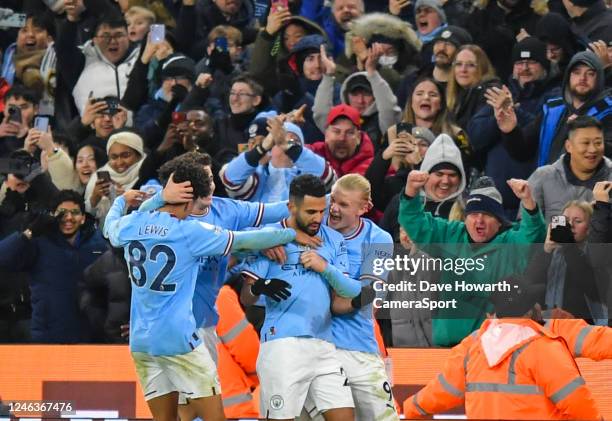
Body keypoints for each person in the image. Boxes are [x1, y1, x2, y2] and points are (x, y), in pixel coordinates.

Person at [103, 158, 303, 421]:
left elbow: (109, 228)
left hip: (141, 339)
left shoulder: (132, 224)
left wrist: (122, 201)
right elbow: (247, 239)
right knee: (213, 417)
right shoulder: (189, 232)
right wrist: (291, 234)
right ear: (189, 201)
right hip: (180, 338)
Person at [240, 174, 360, 420]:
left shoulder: (334, 240)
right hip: (283, 345)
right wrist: (260, 287)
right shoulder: (268, 237)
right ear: (291, 206)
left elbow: (344, 295)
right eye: (310, 212)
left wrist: (325, 267)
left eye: (321, 211)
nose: (318, 218)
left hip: (325, 345)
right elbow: (246, 298)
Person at [399, 173, 547, 346]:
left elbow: (534, 235)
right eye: (474, 213)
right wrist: (410, 192)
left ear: (500, 221)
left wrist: (528, 201)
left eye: (487, 214)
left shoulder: (512, 243)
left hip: (492, 349)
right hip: (447, 348)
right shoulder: (450, 234)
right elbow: (415, 224)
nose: (479, 220)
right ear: (465, 216)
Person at [302, 174, 398, 420]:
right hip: (316, 348)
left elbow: (366, 299)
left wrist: (330, 282)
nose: (333, 209)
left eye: (343, 205)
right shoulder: (312, 222)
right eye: (332, 200)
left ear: (364, 209)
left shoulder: (378, 240)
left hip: (359, 348)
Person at [402, 312, 602, 419]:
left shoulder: (472, 345)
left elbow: (442, 390)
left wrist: (408, 408)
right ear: (533, 308)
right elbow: (577, 402)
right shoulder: (543, 347)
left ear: (491, 313)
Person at [469, 37, 561, 219]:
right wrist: (500, 116)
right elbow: (475, 136)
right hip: (495, 203)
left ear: (544, 66)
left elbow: (542, 132)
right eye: (520, 62)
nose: (524, 68)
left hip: (534, 202)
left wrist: (512, 113)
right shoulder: (499, 94)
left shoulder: (554, 97)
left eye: (532, 62)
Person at [0, 189, 108, 343]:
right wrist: (30, 232)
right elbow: (3, 257)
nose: (68, 217)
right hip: (48, 337)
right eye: (62, 212)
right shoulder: (38, 242)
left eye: (75, 212)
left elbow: (114, 285)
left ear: (83, 218)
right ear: (52, 216)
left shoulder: (99, 244)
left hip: (90, 336)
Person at [496, 51, 612, 167]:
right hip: (549, 182)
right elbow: (522, 152)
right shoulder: (553, 109)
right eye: (576, 73)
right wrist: (510, 131)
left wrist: (586, 136)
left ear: (600, 79)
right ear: (568, 77)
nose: (582, 78)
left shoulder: (608, 111)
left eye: (590, 74)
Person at [524, 200, 608, 323]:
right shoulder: (548, 250)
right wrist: (546, 250)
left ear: (589, 229)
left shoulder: (596, 253)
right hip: (546, 322)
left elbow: (593, 289)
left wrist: (568, 245)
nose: (570, 225)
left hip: (581, 326)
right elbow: (528, 283)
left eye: (578, 221)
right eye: (566, 220)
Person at [220, 117, 336, 202]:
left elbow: (327, 177)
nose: (285, 144)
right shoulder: (259, 176)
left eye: (293, 141)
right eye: (278, 141)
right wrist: (261, 148)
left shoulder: (307, 179)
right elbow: (231, 180)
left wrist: (287, 144)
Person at [528, 116, 612, 222]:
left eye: (598, 143)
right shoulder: (543, 177)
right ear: (569, 146)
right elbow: (527, 229)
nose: (592, 149)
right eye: (585, 143)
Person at [84, 131, 147, 226]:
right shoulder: (96, 179)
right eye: (114, 157)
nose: (119, 162)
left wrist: (124, 199)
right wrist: (94, 198)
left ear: (139, 155)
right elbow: (86, 218)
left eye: (125, 155)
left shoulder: (147, 174)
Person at [308, 104, 374, 177]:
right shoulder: (315, 152)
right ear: (326, 134)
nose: (342, 138)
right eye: (336, 131)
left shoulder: (373, 167)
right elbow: (298, 152)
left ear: (358, 137)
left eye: (349, 132)